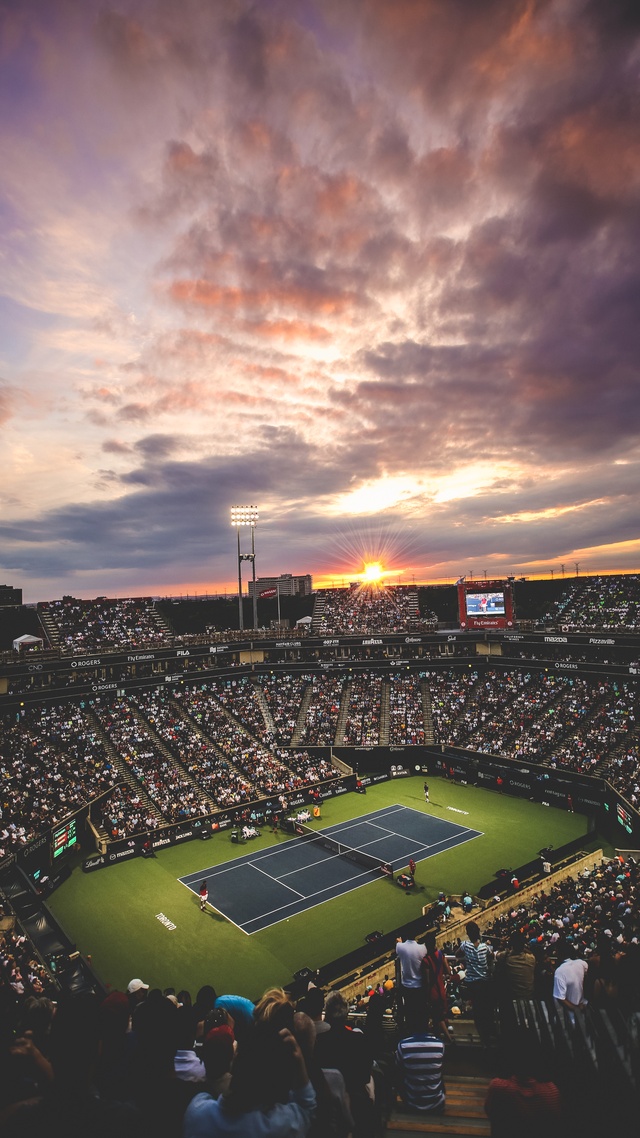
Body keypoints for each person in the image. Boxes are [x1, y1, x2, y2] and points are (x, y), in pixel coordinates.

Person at [457, 922, 495, 1047]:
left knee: (479, 1009)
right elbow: (490, 954)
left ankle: (483, 1036)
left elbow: (457, 954)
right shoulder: (485, 947)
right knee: (485, 1008)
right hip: (484, 982)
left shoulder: (465, 945)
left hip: (472, 983)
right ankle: (487, 1034)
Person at [395, 1025, 445, 1114]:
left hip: (411, 1104)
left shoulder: (403, 1045)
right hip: (437, 1104)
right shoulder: (439, 1044)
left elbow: (399, 1073)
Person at [421, 930, 453, 1042]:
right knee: (441, 1014)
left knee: (437, 1017)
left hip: (433, 992)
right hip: (441, 989)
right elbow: (448, 971)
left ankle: (448, 1039)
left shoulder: (426, 960)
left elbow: (427, 981)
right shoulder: (440, 955)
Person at [396, 936, 427, 1032]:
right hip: (419, 985)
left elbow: (398, 947)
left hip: (407, 985)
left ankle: (411, 1031)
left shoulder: (400, 946)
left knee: (409, 1012)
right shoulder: (422, 948)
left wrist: (400, 941)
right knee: (420, 1011)